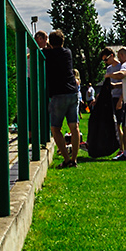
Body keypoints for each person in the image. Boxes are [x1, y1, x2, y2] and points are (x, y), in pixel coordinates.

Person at [44, 30, 81, 168]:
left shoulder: (48, 53)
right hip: (73, 92)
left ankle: (66, 159)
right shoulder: (68, 53)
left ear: (50, 43)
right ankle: (74, 159)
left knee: (55, 128)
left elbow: (35, 54)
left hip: (58, 94)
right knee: (74, 127)